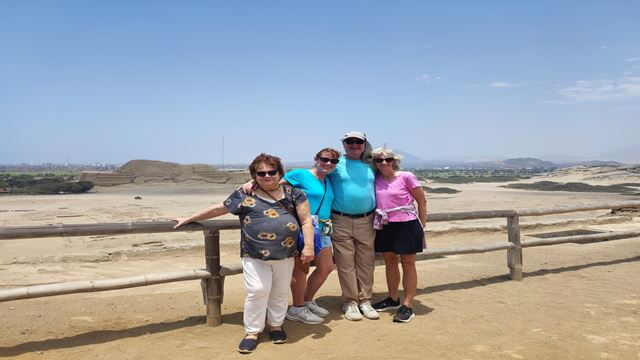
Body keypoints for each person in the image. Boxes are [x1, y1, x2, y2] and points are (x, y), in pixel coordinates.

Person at [174, 153, 315, 354]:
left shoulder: (294, 194)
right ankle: (252, 331)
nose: (267, 176)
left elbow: (306, 221)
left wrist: (308, 246)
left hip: (286, 253)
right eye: (261, 173)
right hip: (254, 254)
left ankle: (276, 325)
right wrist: (189, 218)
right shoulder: (244, 195)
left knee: (280, 291)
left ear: (280, 173)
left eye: (271, 172)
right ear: (254, 176)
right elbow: (218, 210)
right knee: (257, 290)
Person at [283, 148, 341, 324]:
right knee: (302, 268)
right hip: (304, 227)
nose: (329, 164)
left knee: (327, 267)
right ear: (316, 159)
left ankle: (307, 300)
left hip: (323, 228)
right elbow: (275, 188)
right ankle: (297, 309)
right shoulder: (300, 174)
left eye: (333, 161)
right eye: (325, 159)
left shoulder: (328, 179)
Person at [369, 147, 427, 323]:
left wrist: (422, 224)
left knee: (408, 263)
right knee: (389, 261)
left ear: (395, 161)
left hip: (407, 225)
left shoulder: (406, 176)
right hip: (385, 225)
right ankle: (393, 298)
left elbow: (422, 201)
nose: (384, 162)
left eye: (388, 159)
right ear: (375, 163)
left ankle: (408, 305)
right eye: (379, 160)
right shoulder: (375, 180)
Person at [328, 131, 379, 321]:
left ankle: (365, 300)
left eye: (359, 141)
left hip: (367, 220)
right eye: (350, 141)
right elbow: (313, 175)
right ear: (344, 144)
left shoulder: (372, 164)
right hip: (340, 219)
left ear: (365, 143)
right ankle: (350, 302)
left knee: (366, 263)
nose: (354, 144)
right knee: (345, 263)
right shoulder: (334, 163)